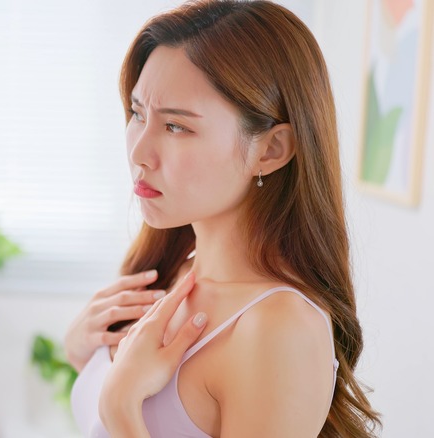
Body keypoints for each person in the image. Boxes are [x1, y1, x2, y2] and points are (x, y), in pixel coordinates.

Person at [64, 1, 382, 436]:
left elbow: (124, 412)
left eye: (176, 127)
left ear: (270, 150)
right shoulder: (172, 273)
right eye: (138, 113)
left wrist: (121, 411)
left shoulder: (278, 329)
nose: (139, 152)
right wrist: (84, 355)